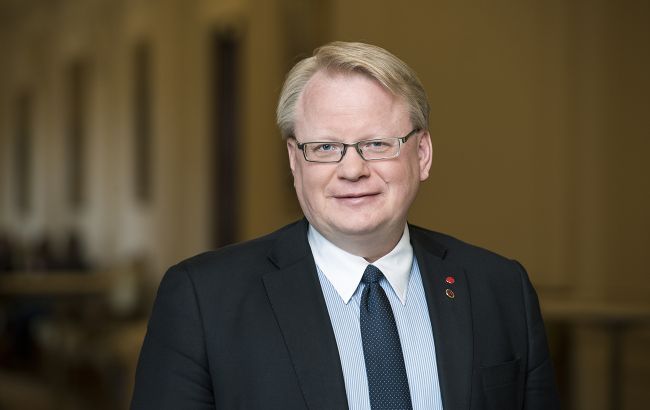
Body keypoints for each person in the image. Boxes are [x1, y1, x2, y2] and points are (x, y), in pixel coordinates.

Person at [131, 41, 560, 410]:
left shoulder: (501, 290)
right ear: (294, 161)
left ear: (422, 154)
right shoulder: (203, 300)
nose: (352, 170)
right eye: (325, 147)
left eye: (377, 144)